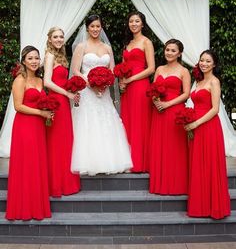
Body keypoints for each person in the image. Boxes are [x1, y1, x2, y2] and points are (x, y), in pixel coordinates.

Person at [70, 14, 133, 176]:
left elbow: (112, 69)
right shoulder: (81, 47)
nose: (95, 29)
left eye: (98, 26)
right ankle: (89, 161)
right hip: (87, 91)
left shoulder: (107, 48)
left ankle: (111, 160)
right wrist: (90, 83)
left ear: (101, 27)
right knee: (88, 123)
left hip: (104, 92)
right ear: (87, 28)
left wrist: (105, 83)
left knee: (107, 122)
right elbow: (76, 70)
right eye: (92, 26)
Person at [5, 46, 51, 220]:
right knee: (26, 164)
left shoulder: (40, 80)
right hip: (25, 126)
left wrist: (48, 111)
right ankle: (23, 208)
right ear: (24, 61)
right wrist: (41, 113)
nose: (34, 61)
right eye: (30, 58)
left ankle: (36, 206)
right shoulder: (19, 80)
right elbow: (18, 106)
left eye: (36, 58)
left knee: (36, 164)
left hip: (39, 127)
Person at [185, 50, 230, 219]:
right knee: (198, 164)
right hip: (195, 125)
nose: (204, 63)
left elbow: (215, 109)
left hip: (208, 127)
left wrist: (196, 123)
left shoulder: (214, 82)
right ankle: (200, 206)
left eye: (208, 61)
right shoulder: (199, 81)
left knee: (210, 164)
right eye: (202, 60)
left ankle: (213, 206)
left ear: (214, 64)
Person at [149, 39, 191, 195]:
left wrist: (167, 104)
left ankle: (176, 185)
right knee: (160, 147)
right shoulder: (159, 69)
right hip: (158, 111)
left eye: (173, 50)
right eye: (167, 50)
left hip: (174, 111)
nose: (169, 53)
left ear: (179, 53)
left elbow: (186, 94)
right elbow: (153, 89)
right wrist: (156, 101)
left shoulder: (183, 71)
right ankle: (160, 185)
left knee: (174, 148)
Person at [44, 27, 80, 197]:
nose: (59, 39)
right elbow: (47, 82)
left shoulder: (61, 56)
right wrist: (67, 93)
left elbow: (60, 81)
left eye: (61, 37)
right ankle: (56, 184)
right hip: (56, 102)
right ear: (50, 39)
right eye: (55, 37)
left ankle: (67, 183)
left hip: (64, 102)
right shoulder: (50, 56)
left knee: (65, 141)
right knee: (57, 143)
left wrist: (72, 90)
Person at [120, 11, 155, 172]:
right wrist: (122, 82)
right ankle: (129, 161)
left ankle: (142, 162)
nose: (133, 24)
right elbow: (122, 67)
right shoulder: (127, 43)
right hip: (127, 88)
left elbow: (151, 68)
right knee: (128, 121)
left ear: (142, 24)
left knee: (140, 122)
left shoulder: (146, 42)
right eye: (131, 21)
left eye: (137, 21)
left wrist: (131, 79)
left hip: (141, 86)